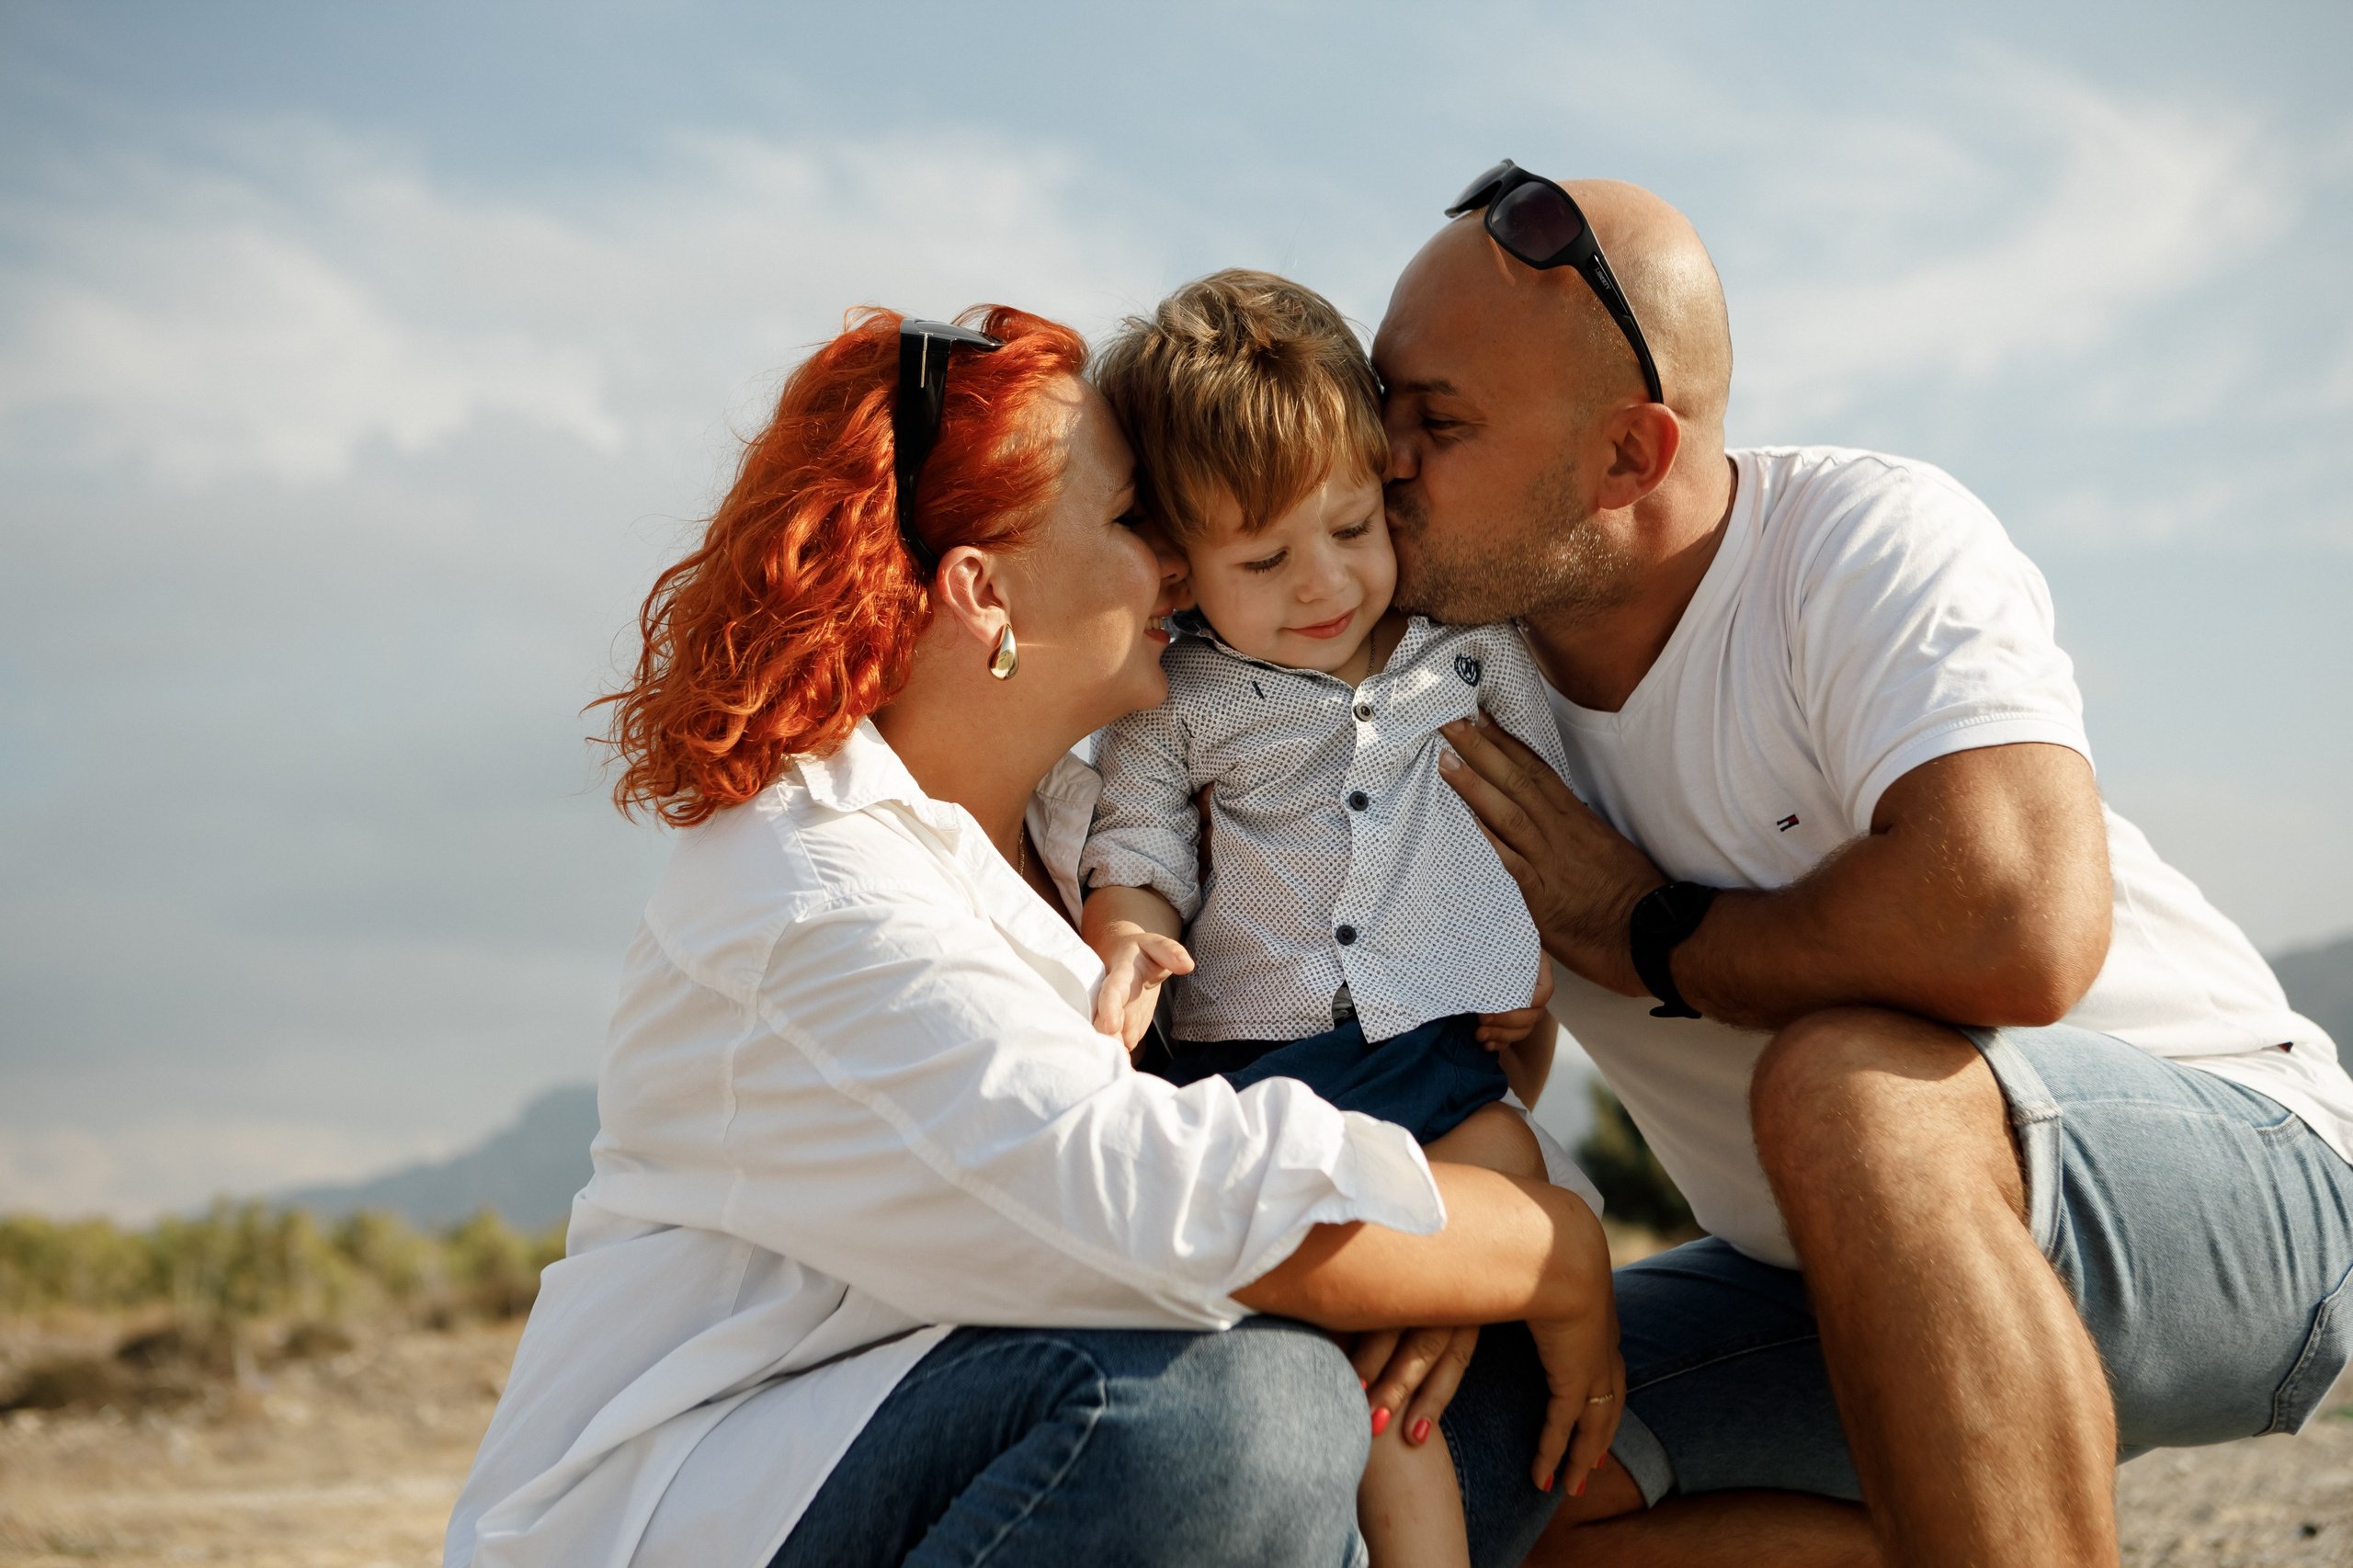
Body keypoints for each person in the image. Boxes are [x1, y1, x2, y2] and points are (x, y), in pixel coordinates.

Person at [440, 303, 1619, 1568]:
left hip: (972, 1409)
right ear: (983, 592)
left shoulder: (1073, 830)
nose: (1178, 566)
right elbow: (1143, 1190)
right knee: (1241, 1419)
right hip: (720, 1504)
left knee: (1460, 1390)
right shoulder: (815, 887)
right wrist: (1550, 1246)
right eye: (1132, 518)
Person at [1370, 161, 2353, 1567]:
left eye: (1438, 422)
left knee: (1845, 1088)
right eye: (1380, 408)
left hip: (2251, 1173)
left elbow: (2017, 920)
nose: (1382, 458)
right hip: (1823, 1270)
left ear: (1629, 457)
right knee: (1456, 1474)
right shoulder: (1433, 685)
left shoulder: (1856, 542)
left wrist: (1644, 927)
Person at [1077, 270, 1606, 1567]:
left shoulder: (1470, 652)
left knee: (1513, 1155)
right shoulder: (1181, 698)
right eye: (1263, 561)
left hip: (1432, 1052)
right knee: (1373, 1398)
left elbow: (1542, 824)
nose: (1323, 583)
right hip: (1261, 1077)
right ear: (1179, 565)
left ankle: (1547, 1340)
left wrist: (1526, 955)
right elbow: (1139, 840)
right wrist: (1127, 927)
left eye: (1354, 528)